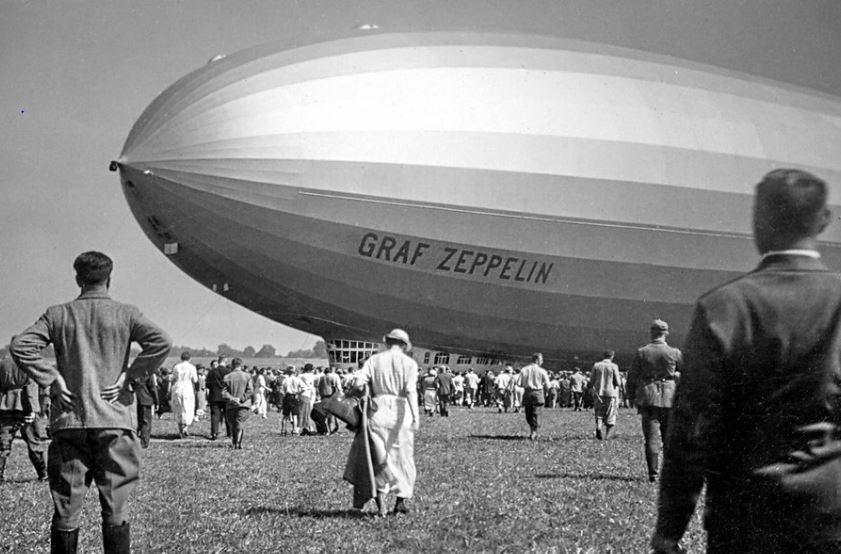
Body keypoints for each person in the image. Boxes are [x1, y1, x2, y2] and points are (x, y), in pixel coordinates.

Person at [652, 169, 841, 553]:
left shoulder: (723, 307)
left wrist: (670, 527)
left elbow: (692, 428)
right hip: (829, 512)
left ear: (758, 220)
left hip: (745, 513)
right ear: (824, 221)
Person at [10, 251, 171, 553]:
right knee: (116, 509)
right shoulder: (127, 313)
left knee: (67, 509)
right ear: (110, 278)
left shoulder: (58, 314)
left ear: (78, 279)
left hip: (70, 421)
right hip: (115, 420)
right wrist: (130, 376)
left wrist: (52, 377)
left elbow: (21, 345)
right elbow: (162, 341)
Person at [344, 329, 419, 516]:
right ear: (404, 345)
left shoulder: (374, 360)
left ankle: (381, 506)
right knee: (403, 457)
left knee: (378, 457)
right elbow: (410, 390)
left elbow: (358, 383)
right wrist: (416, 416)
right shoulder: (409, 363)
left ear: (387, 342)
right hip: (401, 410)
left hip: (377, 410)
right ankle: (400, 501)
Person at [626, 319, 682, 483]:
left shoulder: (642, 352)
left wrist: (630, 396)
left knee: (651, 438)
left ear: (651, 333)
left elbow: (632, 376)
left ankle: (653, 474)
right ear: (666, 334)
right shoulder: (675, 352)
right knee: (669, 438)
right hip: (670, 398)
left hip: (648, 397)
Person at [0, 346, 47, 482]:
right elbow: (31, 387)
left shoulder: (3, 362)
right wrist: (32, 410)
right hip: (25, 405)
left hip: (5, 405)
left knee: (3, 442)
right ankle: (44, 474)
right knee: (35, 442)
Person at [517, 353, 550, 440]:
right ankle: (534, 431)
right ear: (537, 360)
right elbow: (548, 385)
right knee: (537, 412)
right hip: (538, 392)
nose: (542, 361)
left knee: (529, 412)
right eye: (541, 360)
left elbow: (519, 383)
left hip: (528, 392)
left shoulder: (524, 369)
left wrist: (527, 384)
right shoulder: (542, 371)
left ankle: (532, 431)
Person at [222, 358, 253, 450]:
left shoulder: (227, 377)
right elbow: (250, 390)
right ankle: (237, 443)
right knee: (239, 423)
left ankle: (235, 442)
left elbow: (224, 392)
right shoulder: (247, 376)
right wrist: (241, 399)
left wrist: (232, 398)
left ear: (232, 365)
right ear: (241, 365)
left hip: (231, 404)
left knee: (232, 424)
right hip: (243, 404)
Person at [589, 350, 621, 440]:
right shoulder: (614, 366)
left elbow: (591, 380)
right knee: (610, 414)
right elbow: (618, 382)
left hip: (599, 392)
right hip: (611, 393)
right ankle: (607, 436)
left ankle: (599, 427)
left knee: (599, 411)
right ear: (612, 356)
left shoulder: (596, 365)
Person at [170, 351, 197, 438]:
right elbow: (195, 380)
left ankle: (180, 428)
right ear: (190, 358)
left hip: (177, 387)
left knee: (178, 407)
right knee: (188, 407)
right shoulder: (192, 367)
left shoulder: (176, 366)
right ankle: (185, 427)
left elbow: (173, 378)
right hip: (187, 388)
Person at [130, 372, 158, 449]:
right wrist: (156, 401)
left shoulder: (133, 372)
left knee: (137, 421)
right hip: (146, 399)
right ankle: (144, 443)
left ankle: (133, 440)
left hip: (135, 399)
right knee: (146, 422)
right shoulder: (148, 373)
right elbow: (152, 388)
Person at [206, 359, 230, 440]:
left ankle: (214, 433)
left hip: (214, 396)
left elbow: (208, 384)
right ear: (225, 362)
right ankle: (229, 432)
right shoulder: (228, 371)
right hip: (226, 396)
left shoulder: (212, 371)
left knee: (215, 415)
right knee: (228, 415)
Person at [280, 366, 303, 435]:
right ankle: (294, 430)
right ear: (294, 372)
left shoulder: (285, 380)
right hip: (294, 397)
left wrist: (284, 395)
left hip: (287, 397)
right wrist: (298, 393)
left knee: (285, 416)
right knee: (295, 415)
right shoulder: (298, 379)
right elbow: (303, 388)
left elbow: (282, 390)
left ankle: (283, 430)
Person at [298, 364, 317, 435]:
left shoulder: (300, 376)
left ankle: (305, 428)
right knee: (308, 412)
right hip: (309, 394)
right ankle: (309, 428)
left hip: (303, 394)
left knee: (304, 411)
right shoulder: (312, 376)